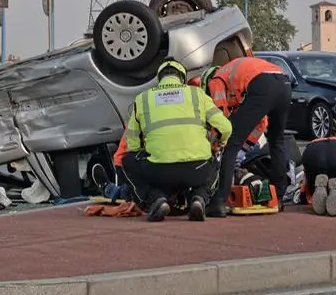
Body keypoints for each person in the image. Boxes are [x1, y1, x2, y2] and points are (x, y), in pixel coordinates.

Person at [120, 57, 232, 222]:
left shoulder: (142, 99)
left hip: (159, 172)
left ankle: (156, 200)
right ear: (182, 77)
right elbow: (226, 128)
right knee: (217, 158)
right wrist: (217, 144)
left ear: (159, 78)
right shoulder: (197, 94)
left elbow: (132, 143)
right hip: (197, 170)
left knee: (128, 160)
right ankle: (199, 198)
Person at [200, 57, 292, 217]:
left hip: (263, 84)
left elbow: (222, 118)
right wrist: (245, 147)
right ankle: (278, 196)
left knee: (230, 144)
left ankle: (219, 201)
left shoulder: (216, 79)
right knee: (277, 141)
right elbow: (260, 123)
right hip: (284, 84)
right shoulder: (237, 80)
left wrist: (216, 144)